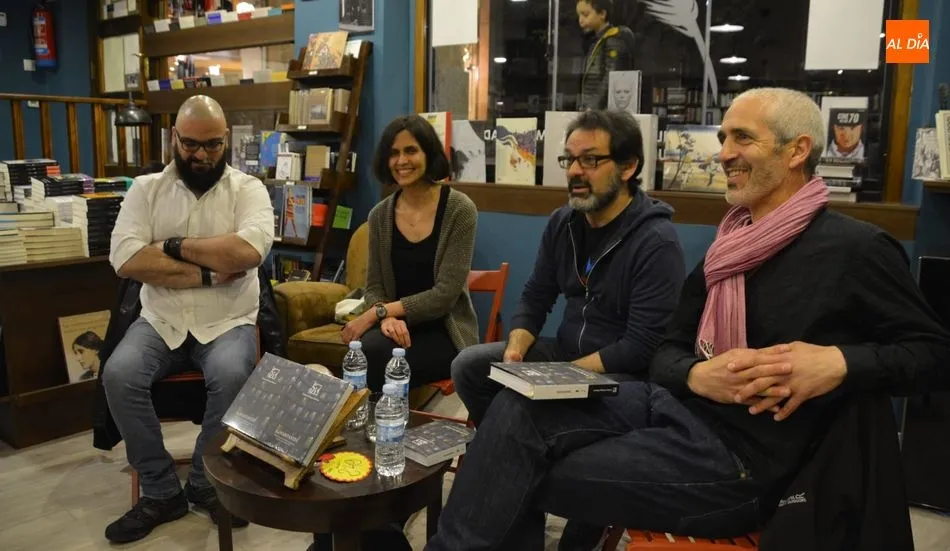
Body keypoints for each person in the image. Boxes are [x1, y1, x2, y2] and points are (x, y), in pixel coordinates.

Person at [424, 87, 950, 551]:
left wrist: (837, 363)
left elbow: (934, 354)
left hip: (745, 459)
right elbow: (667, 350)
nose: (722, 154)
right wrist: (697, 373)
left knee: (518, 467)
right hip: (678, 407)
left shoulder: (856, 249)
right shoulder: (730, 245)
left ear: (798, 150)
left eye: (742, 138)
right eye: (723, 138)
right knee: (515, 409)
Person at [102, 95, 274, 544]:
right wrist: (207, 270)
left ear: (227, 142)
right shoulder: (146, 190)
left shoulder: (248, 190)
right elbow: (124, 258)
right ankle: (161, 492)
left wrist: (171, 246)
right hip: (161, 319)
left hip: (228, 319)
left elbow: (248, 252)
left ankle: (204, 483)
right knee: (118, 375)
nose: (201, 155)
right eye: (192, 144)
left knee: (233, 372)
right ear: (174, 138)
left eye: (213, 145)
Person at [451, 109, 685, 427]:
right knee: (469, 366)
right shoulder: (563, 222)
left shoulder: (657, 241)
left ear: (628, 166)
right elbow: (536, 296)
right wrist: (515, 353)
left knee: (520, 409)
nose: (575, 171)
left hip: (622, 377)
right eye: (569, 160)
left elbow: (640, 347)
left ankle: (512, 446)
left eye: (589, 160)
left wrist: (560, 377)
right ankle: (505, 444)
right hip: (565, 353)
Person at [340, 114, 479, 393]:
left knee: (380, 358)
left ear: (428, 153)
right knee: (365, 352)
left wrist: (376, 313)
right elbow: (375, 286)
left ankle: (385, 428)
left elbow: (444, 295)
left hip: (445, 331)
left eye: (411, 150)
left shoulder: (460, 210)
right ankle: (374, 428)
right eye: (393, 153)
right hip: (394, 328)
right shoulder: (379, 215)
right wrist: (387, 318)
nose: (401, 161)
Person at [576, 0, 635, 110]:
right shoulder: (596, 41)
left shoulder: (613, 40)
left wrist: (593, 106)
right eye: (579, 15)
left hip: (603, 110)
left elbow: (611, 77)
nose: (580, 20)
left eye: (585, 14)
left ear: (602, 14)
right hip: (594, 107)